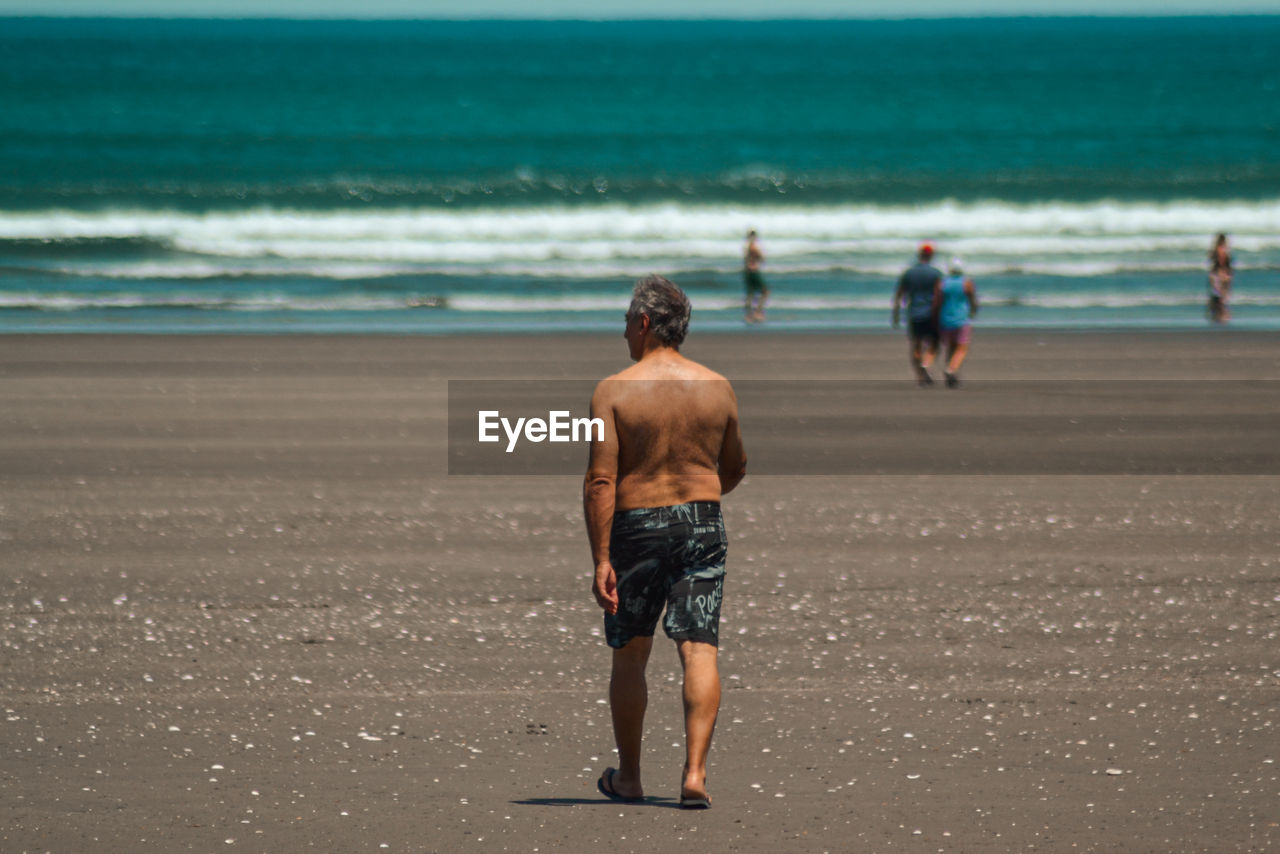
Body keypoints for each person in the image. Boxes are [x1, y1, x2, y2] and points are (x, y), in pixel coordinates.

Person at [585, 274, 747, 810]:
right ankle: (695, 774)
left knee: (631, 654)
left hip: (637, 528)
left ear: (645, 323)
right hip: (702, 523)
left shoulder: (613, 391)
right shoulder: (718, 387)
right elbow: (735, 467)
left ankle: (629, 777)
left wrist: (602, 557)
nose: (624, 334)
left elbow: (601, 480)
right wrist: (696, 498)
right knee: (699, 647)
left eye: (627, 324)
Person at [892, 241, 943, 385]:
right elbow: (940, 295)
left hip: (914, 312)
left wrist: (895, 312)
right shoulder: (936, 273)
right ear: (931, 255)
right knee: (934, 344)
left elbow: (899, 294)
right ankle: (926, 364)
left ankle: (920, 376)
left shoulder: (909, 272)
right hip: (931, 313)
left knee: (916, 345)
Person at [932, 257, 979, 388]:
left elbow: (937, 302)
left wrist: (935, 317)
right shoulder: (966, 283)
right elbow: (972, 300)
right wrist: (973, 311)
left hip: (945, 318)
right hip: (961, 319)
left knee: (950, 347)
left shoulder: (942, 283)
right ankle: (951, 370)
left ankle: (951, 374)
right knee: (961, 348)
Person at [743, 229, 768, 323]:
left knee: (750, 293)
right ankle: (757, 312)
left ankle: (749, 315)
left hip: (748, 272)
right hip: (753, 272)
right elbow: (761, 258)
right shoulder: (752, 247)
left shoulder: (746, 247)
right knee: (765, 291)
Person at [1208, 233, 1233, 324]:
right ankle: (1222, 314)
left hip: (1216, 273)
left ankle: (1218, 313)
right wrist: (1226, 273)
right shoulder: (1222, 250)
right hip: (1221, 273)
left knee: (1218, 293)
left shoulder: (1215, 250)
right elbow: (1223, 262)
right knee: (1223, 294)